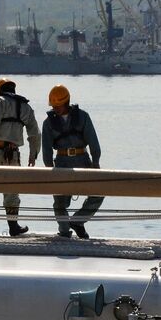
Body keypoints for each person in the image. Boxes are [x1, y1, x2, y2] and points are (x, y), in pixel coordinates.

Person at [40, 85, 103, 238]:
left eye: (58, 105)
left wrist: (96, 163)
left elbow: (93, 142)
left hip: (83, 160)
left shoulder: (83, 116)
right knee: (60, 201)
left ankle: (77, 221)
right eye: (54, 106)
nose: (56, 109)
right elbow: (47, 150)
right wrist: (50, 171)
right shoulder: (48, 123)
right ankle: (64, 231)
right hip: (61, 162)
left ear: (66, 102)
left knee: (99, 193)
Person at [0, 78, 40, 236]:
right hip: (13, 155)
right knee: (12, 191)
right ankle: (13, 226)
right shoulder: (25, 106)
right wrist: (33, 154)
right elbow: (35, 133)